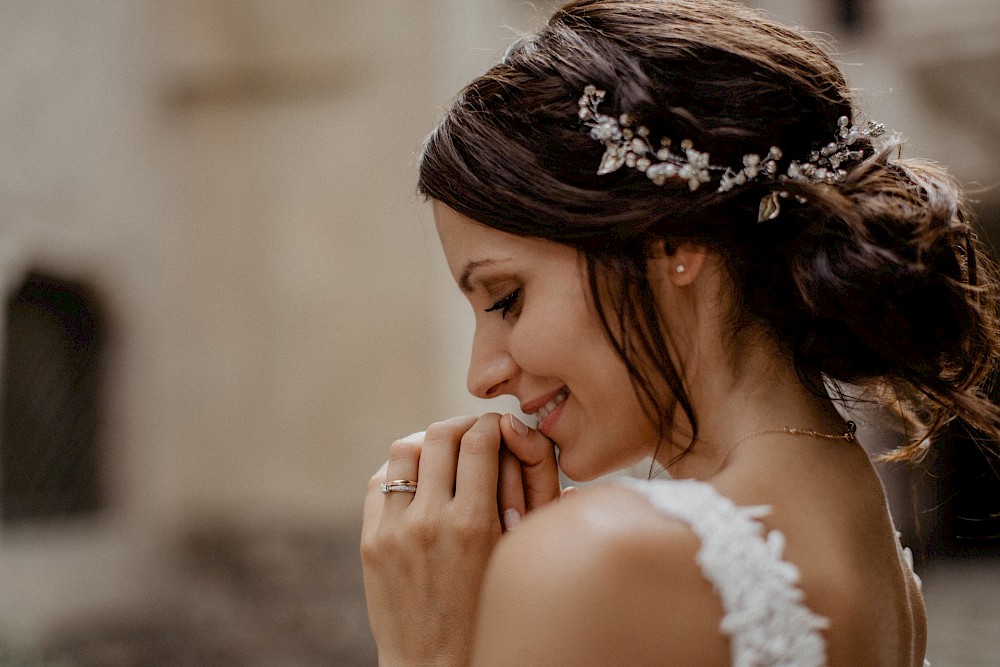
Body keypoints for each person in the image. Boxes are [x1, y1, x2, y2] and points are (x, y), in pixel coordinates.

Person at [361, 0, 1000, 664]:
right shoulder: (876, 557)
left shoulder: (597, 561)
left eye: (507, 298)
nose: (481, 373)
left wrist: (429, 644)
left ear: (671, 246)